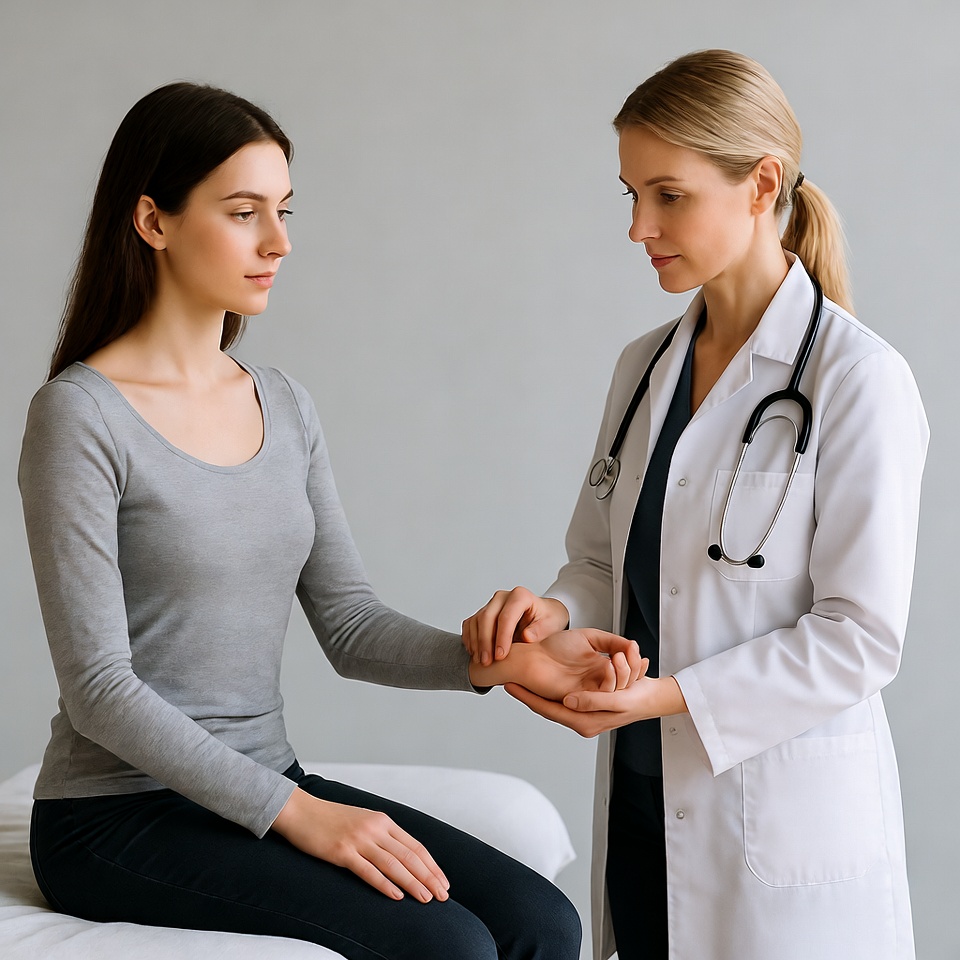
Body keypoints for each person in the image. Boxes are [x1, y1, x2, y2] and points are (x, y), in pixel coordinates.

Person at [18, 81, 646, 960]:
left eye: (281, 209)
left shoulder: (283, 404)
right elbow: (99, 692)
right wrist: (300, 815)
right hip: (115, 817)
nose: (278, 242)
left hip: (265, 781)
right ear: (153, 221)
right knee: (449, 947)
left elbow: (349, 625)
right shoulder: (79, 416)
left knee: (546, 922)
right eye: (243, 213)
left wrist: (503, 663)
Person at [463, 49, 927, 960]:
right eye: (631, 195)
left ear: (761, 185)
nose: (639, 226)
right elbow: (604, 560)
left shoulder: (858, 380)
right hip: (642, 811)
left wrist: (661, 699)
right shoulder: (643, 369)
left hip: (778, 831)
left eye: (668, 195)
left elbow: (859, 637)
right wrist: (550, 612)